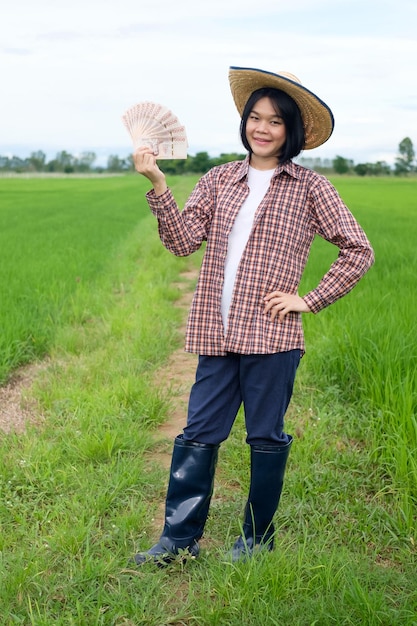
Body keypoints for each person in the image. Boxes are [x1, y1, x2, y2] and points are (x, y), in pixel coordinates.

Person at [132, 66, 374, 565]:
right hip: (216, 333)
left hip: (273, 337)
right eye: (255, 118)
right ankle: (179, 541)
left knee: (265, 436)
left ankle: (256, 542)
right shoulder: (219, 179)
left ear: (292, 131)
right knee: (198, 432)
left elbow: (358, 249)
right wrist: (157, 183)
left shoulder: (310, 188)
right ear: (245, 122)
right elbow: (181, 242)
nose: (262, 129)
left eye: (276, 122)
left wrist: (309, 299)